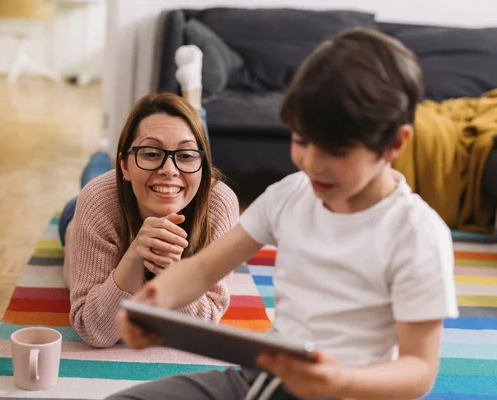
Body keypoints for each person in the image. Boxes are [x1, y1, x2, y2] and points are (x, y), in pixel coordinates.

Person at [111, 27, 459, 400]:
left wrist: (339, 381)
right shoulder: (292, 193)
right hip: (265, 382)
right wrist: (153, 302)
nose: (311, 163)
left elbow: (419, 371)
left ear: (394, 144)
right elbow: (204, 268)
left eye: (335, 151)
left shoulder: (416, 233)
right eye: (301, 141)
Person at [60, 46, 240, 348]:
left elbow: (206, 324)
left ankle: (192, 100)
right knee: (92, 177)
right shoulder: (98, 201)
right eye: (151, 153)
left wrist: (170, 274)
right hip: (85, 210)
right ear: (125, 165)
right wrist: (133, 258)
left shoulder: (220, 203)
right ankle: (101, 154)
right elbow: (94, 332)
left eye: (185, 156)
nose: (169, 170)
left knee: (183, 145)